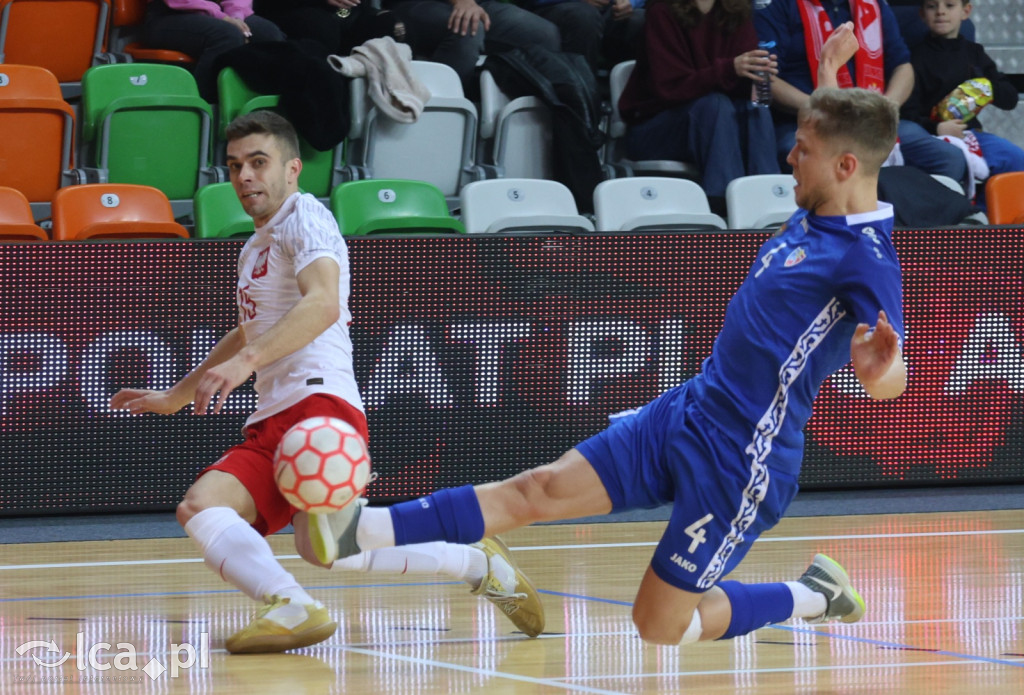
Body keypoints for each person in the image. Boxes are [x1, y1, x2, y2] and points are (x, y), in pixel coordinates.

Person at [302, 24, 908, 646]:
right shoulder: (822, 200)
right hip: (691, 410)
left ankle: (812, 596)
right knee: (536, 488)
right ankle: (361, 529)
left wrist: (876, 369)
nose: (788, 158)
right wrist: (831, 75)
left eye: (802, 150)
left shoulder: (866, 259)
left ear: (843, 166)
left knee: (660, 626)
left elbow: (894, 379)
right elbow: (843, 137)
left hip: (742, 460)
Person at [110, 110, 544, 653]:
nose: (244, 176)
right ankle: (299, 603)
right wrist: (176, 395)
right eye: (235, 165)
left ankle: (473, 558)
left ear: (293, 169)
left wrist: (245, 365)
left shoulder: (305, 217)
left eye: (259, 162)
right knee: (207, 509)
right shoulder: (253, 248)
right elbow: (249, 331)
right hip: (272, 415)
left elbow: (323, 303)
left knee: (329, 542)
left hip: (320, 401)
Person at [753, 0, 967, 184]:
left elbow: (903, 67)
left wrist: (885, 109)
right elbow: (767, 79)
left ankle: (903, 222)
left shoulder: (873, 4)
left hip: (873, 118)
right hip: (808, 121)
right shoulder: (777, 5)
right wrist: (827, 109)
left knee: (950, 160)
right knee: (812, 158)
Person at [617, 0, 780, 212]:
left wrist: (756, 73)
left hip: (716, 122)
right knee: (714, 105)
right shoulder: (662, 11)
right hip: (656, 127)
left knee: (756, 108)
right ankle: (723, 206)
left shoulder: (737, 9)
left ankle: (768, 204)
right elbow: (670, 88)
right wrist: (730, 69)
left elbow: (736, 85)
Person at [899, 0, 1024, 204]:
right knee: (953, 162)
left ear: (965, 11)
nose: (940, 12)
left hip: (971, 134)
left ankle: (988, 219)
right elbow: (906, 113)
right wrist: (937, 127)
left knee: (1015, 158)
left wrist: (989, 88)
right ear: (922, 14)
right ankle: (959, 217)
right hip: (931, 135)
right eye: (932, 6)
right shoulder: (914, 57)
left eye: (949, 6)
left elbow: (1009, 99)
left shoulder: (975, 53)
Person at [381, 0, 562, 96]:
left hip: (478, 4)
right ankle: (439, 116)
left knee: (544, 35)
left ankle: (509, 126)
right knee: (466, 28)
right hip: (413, 4)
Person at [140, 0, 287, 102]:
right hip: (169, 15)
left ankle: (258, 115)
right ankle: (204, 109)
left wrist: (236, 16)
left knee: (270, 35)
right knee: (226, 35)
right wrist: (223, 18)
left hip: (220, 13)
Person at [514, 0, 646, 74]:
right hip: (554, 7)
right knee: (584, 17)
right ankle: (581, 106)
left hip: (610, 10)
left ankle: (641, 113)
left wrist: (631, 2)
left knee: (643, 20)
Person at [252, 0, 407, 57]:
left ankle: (384, 113)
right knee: (322, 28)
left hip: (346, 12)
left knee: (390, 24)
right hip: (293, 9)